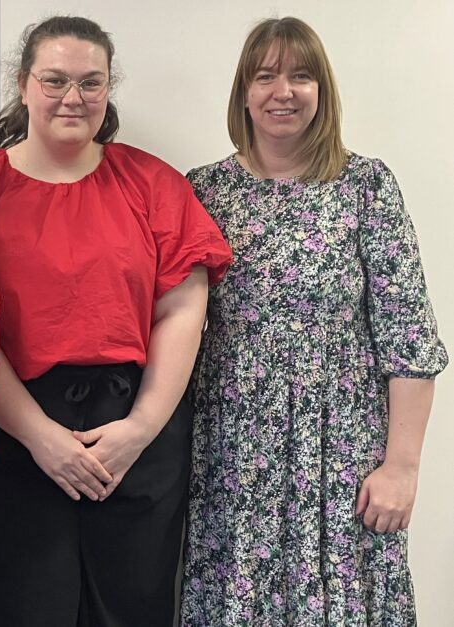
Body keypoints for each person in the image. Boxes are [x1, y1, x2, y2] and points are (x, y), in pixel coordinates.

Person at [0, 16, 232, 627]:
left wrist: (140, 429)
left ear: (108, 88)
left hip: (137, 431)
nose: (73, 97)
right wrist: (39, 437)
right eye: (54, 80)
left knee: (131, 608)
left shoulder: (151, 182)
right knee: (20, 608)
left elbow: (182, 309)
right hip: (16, 436)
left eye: (91, 82)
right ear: (23, 85)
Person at [180, 17, 448, 626]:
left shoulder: (366, 186)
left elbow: (408, 337)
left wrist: (402, 468)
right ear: (244, 92)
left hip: (342, 452)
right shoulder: (203, 192)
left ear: (321, 90)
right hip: (235, 453)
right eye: (266, 76)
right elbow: (176, 325)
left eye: (301, 76)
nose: (284, 91)